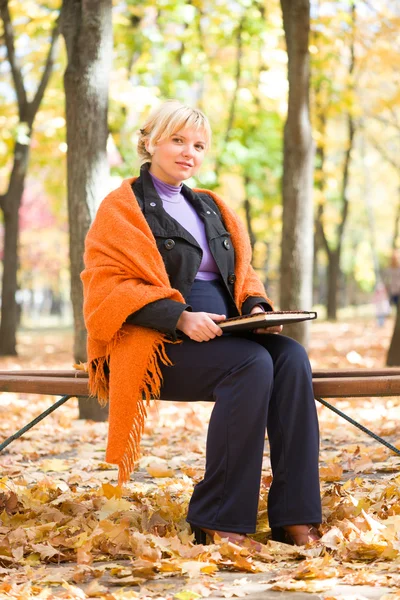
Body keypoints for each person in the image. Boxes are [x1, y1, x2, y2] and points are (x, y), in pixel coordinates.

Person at [81, 100, 322, 549]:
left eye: (198, 145)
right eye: (176, 140)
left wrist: (255, 309)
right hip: (154, 344)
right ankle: (220, 521)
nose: (188, 152)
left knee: (290, 358)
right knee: (250, 364)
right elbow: (104, 289)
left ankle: (297, 517)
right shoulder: (123, 207)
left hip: (224, 333)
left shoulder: (213, 206)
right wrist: (179, 317)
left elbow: (244, 275)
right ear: (150, 141)